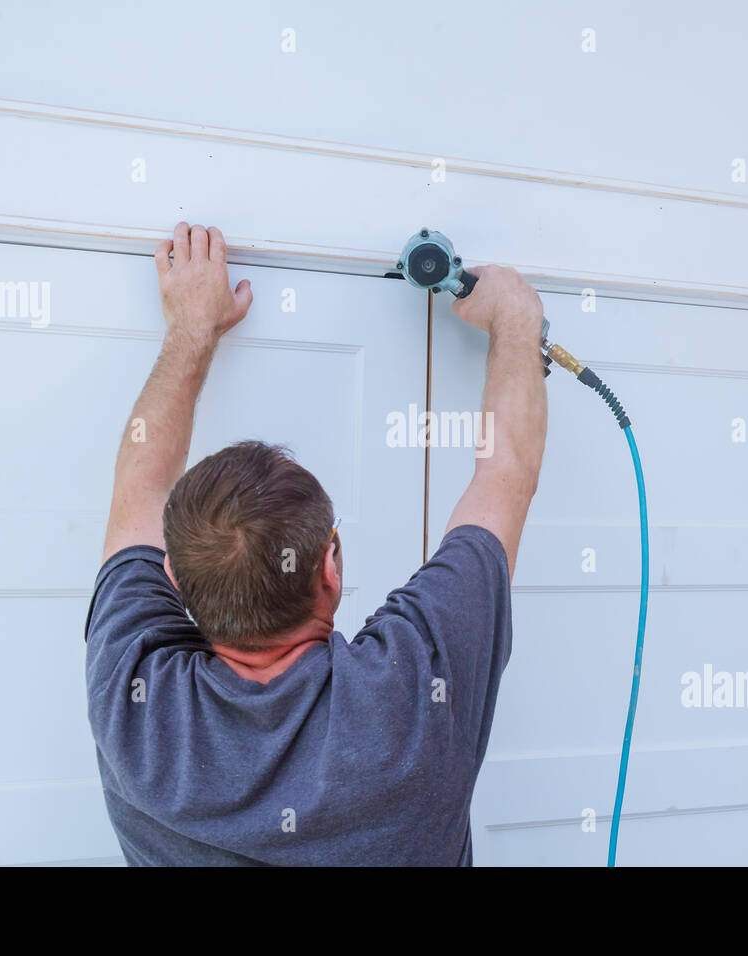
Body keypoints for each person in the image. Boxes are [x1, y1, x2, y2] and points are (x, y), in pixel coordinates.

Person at [85, 221, 547, 864]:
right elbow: (505, 475)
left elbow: (141, 483)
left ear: (172, 580)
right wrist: (518, 322)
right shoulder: (413, 694)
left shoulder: (134, 708)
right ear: (331, 565)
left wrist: (192, 329)